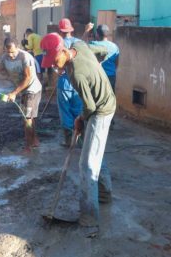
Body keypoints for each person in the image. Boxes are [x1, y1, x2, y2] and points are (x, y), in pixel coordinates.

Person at [40, 33, 116, 236]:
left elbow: (90, 107)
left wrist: (80, 119)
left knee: (87, 164)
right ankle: (105, 195)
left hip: (101, 110)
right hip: (104, 101)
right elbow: (104, 50)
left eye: (55, 61)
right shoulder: (81, 46)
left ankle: (89, 219)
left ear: (64, 51)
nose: (55, 67)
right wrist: (97, 67)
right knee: (94, 150)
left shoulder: (77, 74)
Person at [56, 18, 83, 146]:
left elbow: (55, 64)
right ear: (71, 29)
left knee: (65, 111)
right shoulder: (79, 43)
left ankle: (69, 141)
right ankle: (80, 140)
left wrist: (57, 70)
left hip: (65, 83)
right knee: (78, 111)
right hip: (79, 83)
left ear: (60, 31)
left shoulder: (59, 45)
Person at [83, 23, 119, 93]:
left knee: (96, 99)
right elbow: (116, 64)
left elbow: (81, 45)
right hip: (111, 77)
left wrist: (87, 31)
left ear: (97, 34)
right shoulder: (115, 46)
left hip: (97, 77)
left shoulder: (93, 45)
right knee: (109, 99)